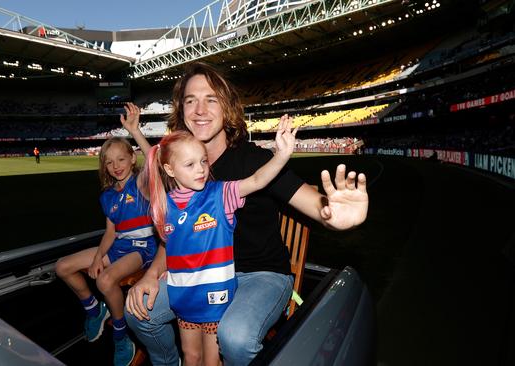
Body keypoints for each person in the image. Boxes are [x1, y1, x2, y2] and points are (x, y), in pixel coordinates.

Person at [124, 62, 369, 366]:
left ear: (226, 107)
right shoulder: (179, 171)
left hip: (260, 276)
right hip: (197, 277)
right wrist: (149, 275)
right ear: (181, 109)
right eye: (190, 100)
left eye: (211, 99)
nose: (200, 109)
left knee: (236, 337)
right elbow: (173, 235)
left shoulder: (255, 160)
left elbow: (314, 204)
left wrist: (336, 214)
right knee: (137, 312)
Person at [141, 116, 297, 366]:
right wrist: (163, 270)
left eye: (203, 161)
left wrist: (281, 155)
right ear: (170, 169)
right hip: (183, 294)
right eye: (190, 164)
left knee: (211, 361)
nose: (201, 169)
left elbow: (256, 181)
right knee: (191, 356)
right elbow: (173, 244)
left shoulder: (220, 194)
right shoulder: (163, 206)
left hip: (216, 296)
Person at [54, 103, 156, 366]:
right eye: (109, 162)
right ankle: (94, 309)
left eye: (121, 159)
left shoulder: (142, 183)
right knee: (63, 266)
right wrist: (99, 256)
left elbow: (154, 161)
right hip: (119, 244)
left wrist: (134, 131)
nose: (116, 166)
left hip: (142, 248)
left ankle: (122, 336)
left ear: (132, 159)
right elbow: (111, 232)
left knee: (105, 281)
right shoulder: (107, 196)